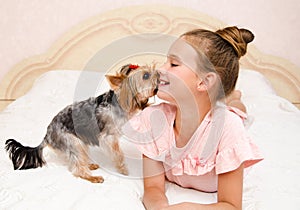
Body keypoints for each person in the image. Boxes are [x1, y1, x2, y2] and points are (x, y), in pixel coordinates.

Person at [122, 26, 263, 210]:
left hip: (223, 118)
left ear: (204, 82)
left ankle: (234, 97)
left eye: (173, 64)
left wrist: (188, 207)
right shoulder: (152, 119)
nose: (161, 69)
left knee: (235, 110)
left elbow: (231, 205)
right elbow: (153, 188)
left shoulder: (229, 128)